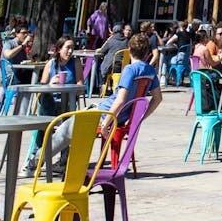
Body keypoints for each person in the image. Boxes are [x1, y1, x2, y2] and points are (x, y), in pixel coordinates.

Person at [23, 33, 163, 177]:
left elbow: (120, 100)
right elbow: (158, 98)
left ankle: (34, 162)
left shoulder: (130, 69)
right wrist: (139, 118)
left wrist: (106, 123)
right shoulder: (150, 71)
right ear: (147, 53)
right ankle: (62, 163)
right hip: (120, 117)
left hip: (104, 114)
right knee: (68, 126)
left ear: (130, 50)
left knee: (64, 130)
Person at [38, 36, 82, 115]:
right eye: (68, 47)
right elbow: (41, 89)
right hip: (51, 101)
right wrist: (50, 84)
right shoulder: (51, 64)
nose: (70, 51)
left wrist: (71, 91)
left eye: (72, 48)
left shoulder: (76, 62)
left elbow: (80, 87)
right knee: (46, 99)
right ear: (59, 49)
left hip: (68, 101)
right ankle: (48, 121)